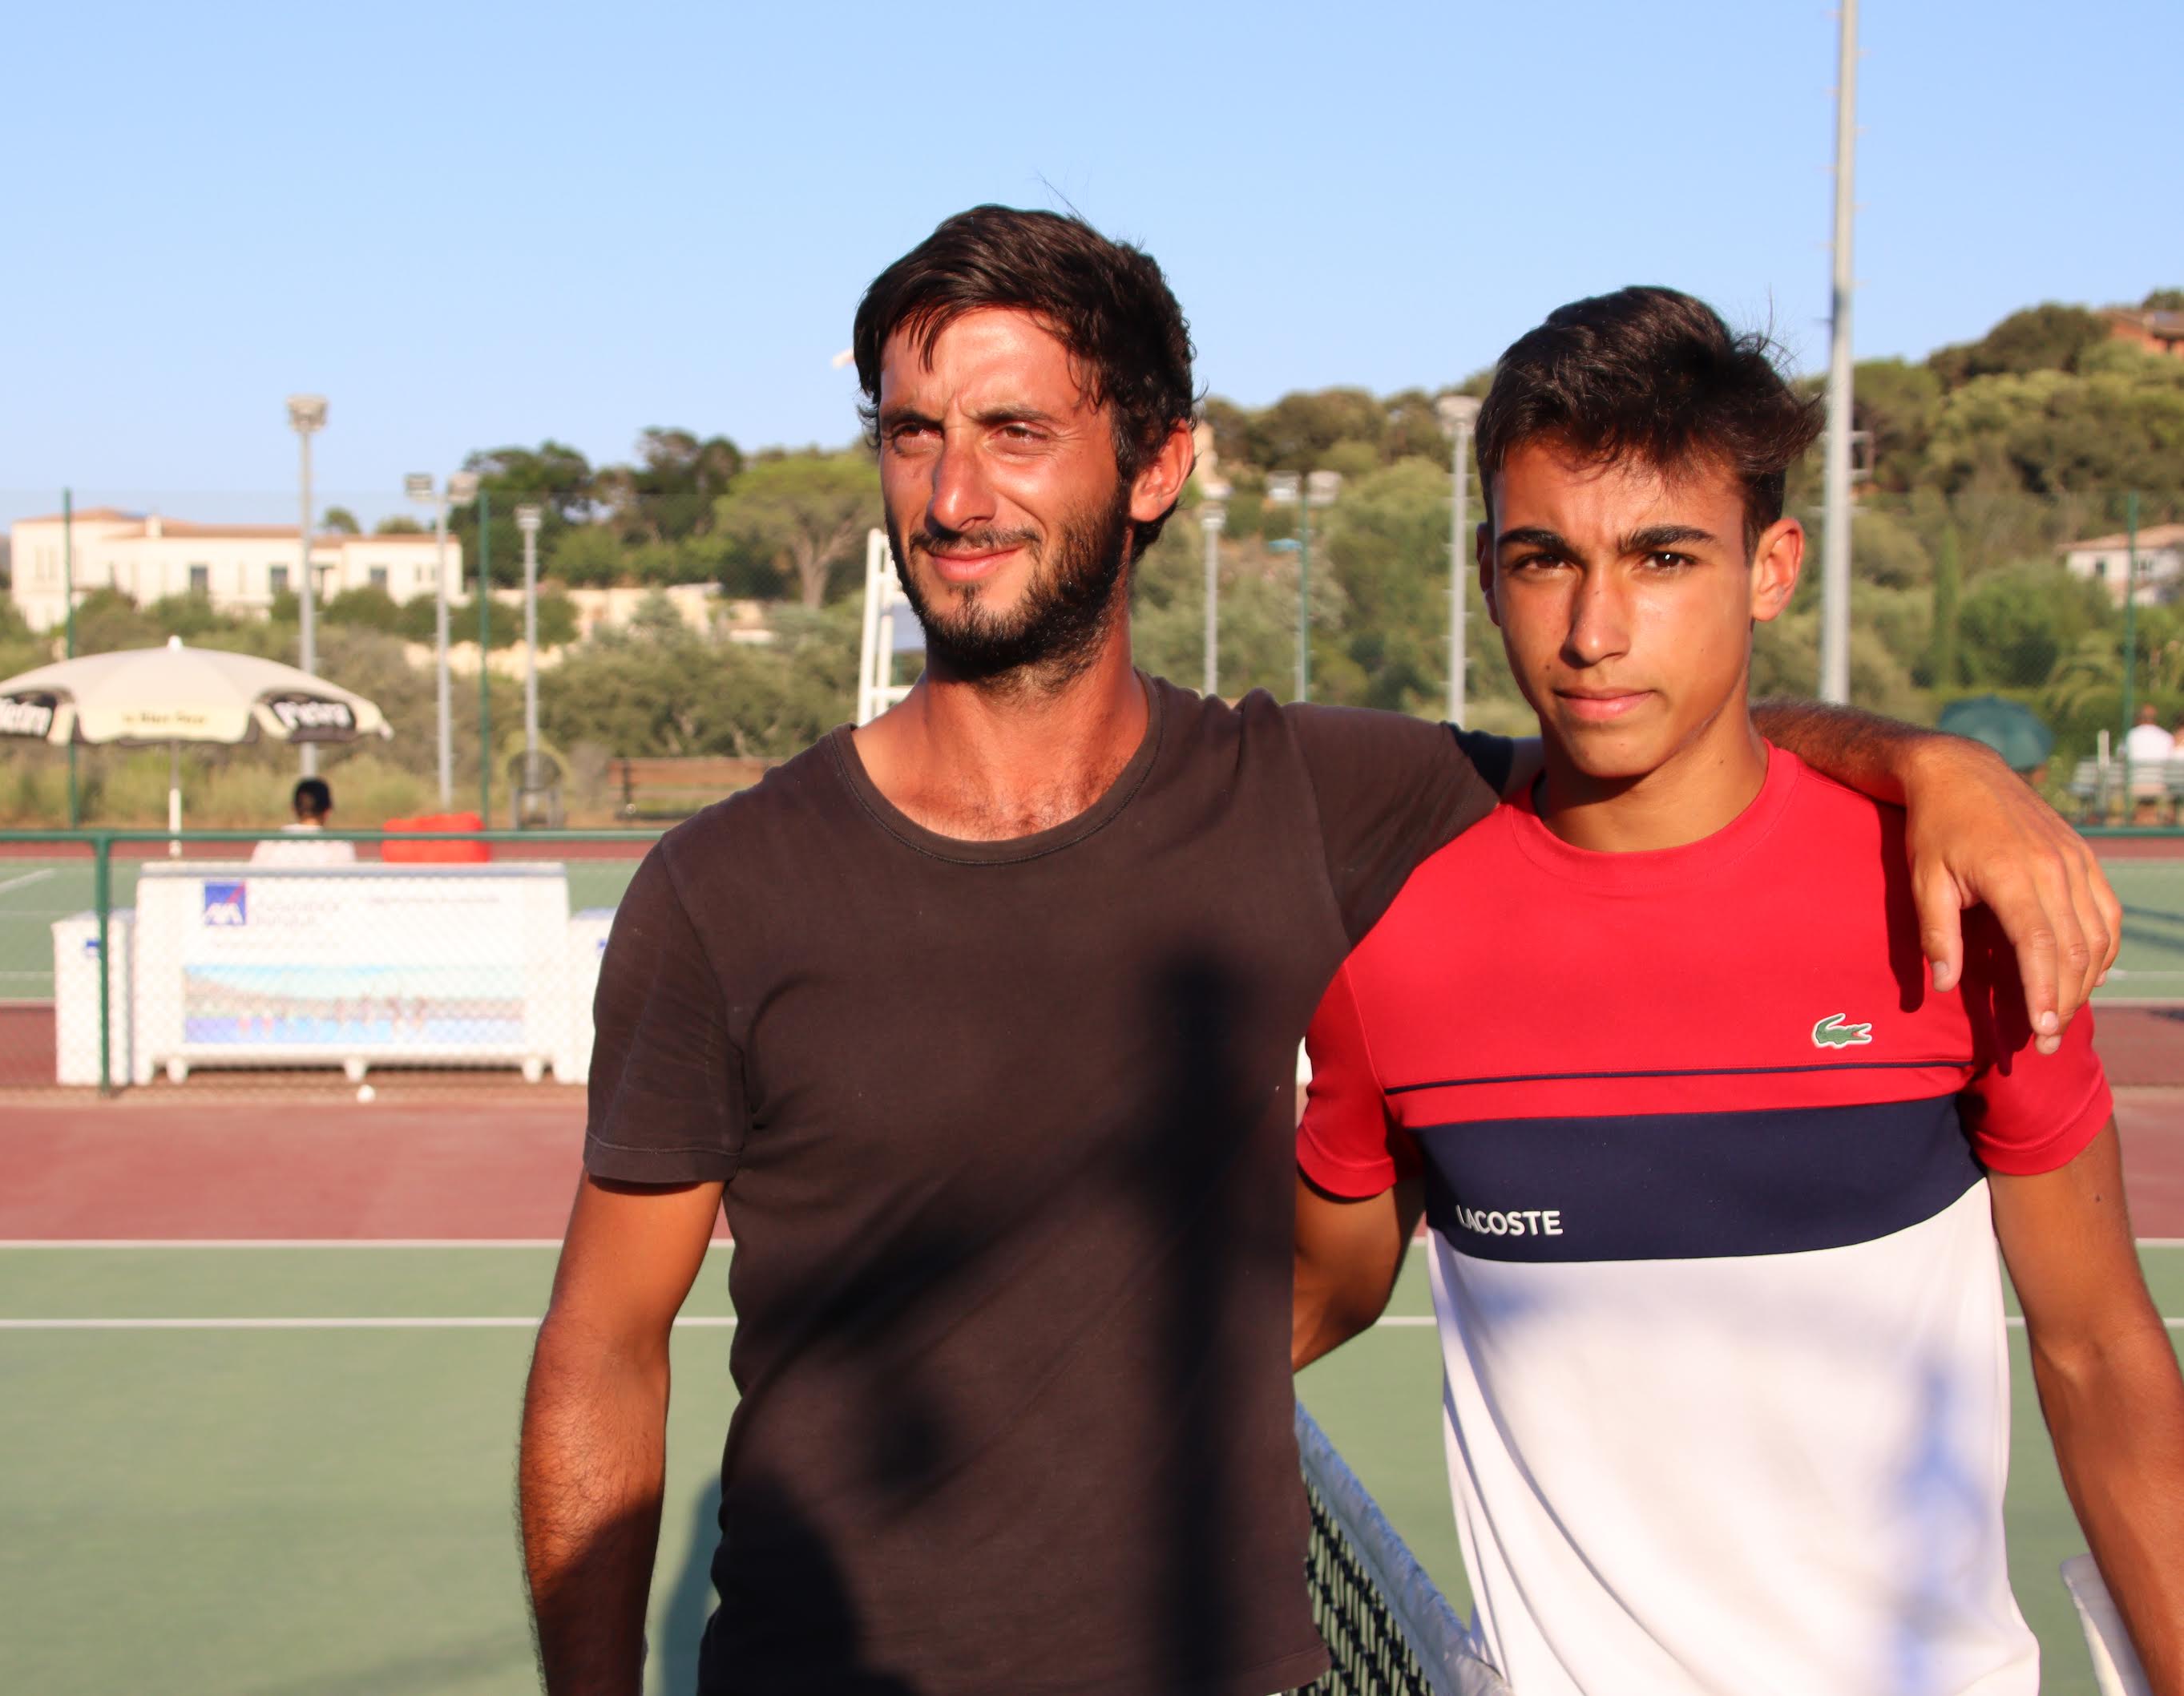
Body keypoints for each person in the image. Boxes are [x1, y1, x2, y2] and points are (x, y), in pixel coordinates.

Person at [518, 211, 2122, 1696]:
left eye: (1014, 431)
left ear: (1157, 467)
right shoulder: (719, 892)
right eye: (911, 431)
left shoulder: (1312, 799)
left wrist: (1932, 764)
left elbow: (1647, 734)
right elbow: (600, 1348)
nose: (952, 495)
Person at [1291, 288, 2183, 1696]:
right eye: (1542, 559)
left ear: (1769, 568)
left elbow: (2096, 1351)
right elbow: (1311, 1290)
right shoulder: (1388, 938)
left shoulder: (1957, 903)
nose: (1594, 630)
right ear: (1485, 574)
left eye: (1662, 557)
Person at [248, 775, 356, 866]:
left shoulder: (271, 843)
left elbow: (251, 879)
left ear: (293, 808)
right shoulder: (340, 846)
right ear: (327, 811)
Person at [2128, 705, 2174, 825]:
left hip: (2132, 784)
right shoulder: (2166, 737)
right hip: (2161, 784)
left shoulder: (2129, 736)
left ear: (2139, 719)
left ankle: (2142, 818)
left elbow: (2121, 758)